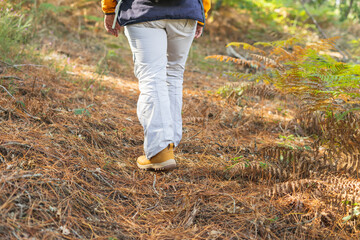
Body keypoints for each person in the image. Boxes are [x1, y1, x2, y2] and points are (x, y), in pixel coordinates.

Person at [101, 0, 211, 170]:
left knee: (152, 77)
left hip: (142, 10)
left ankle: (160, 149)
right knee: (173, 75)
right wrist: (201, 13)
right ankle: (170, 144)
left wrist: (109, 9)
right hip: (186, 10)